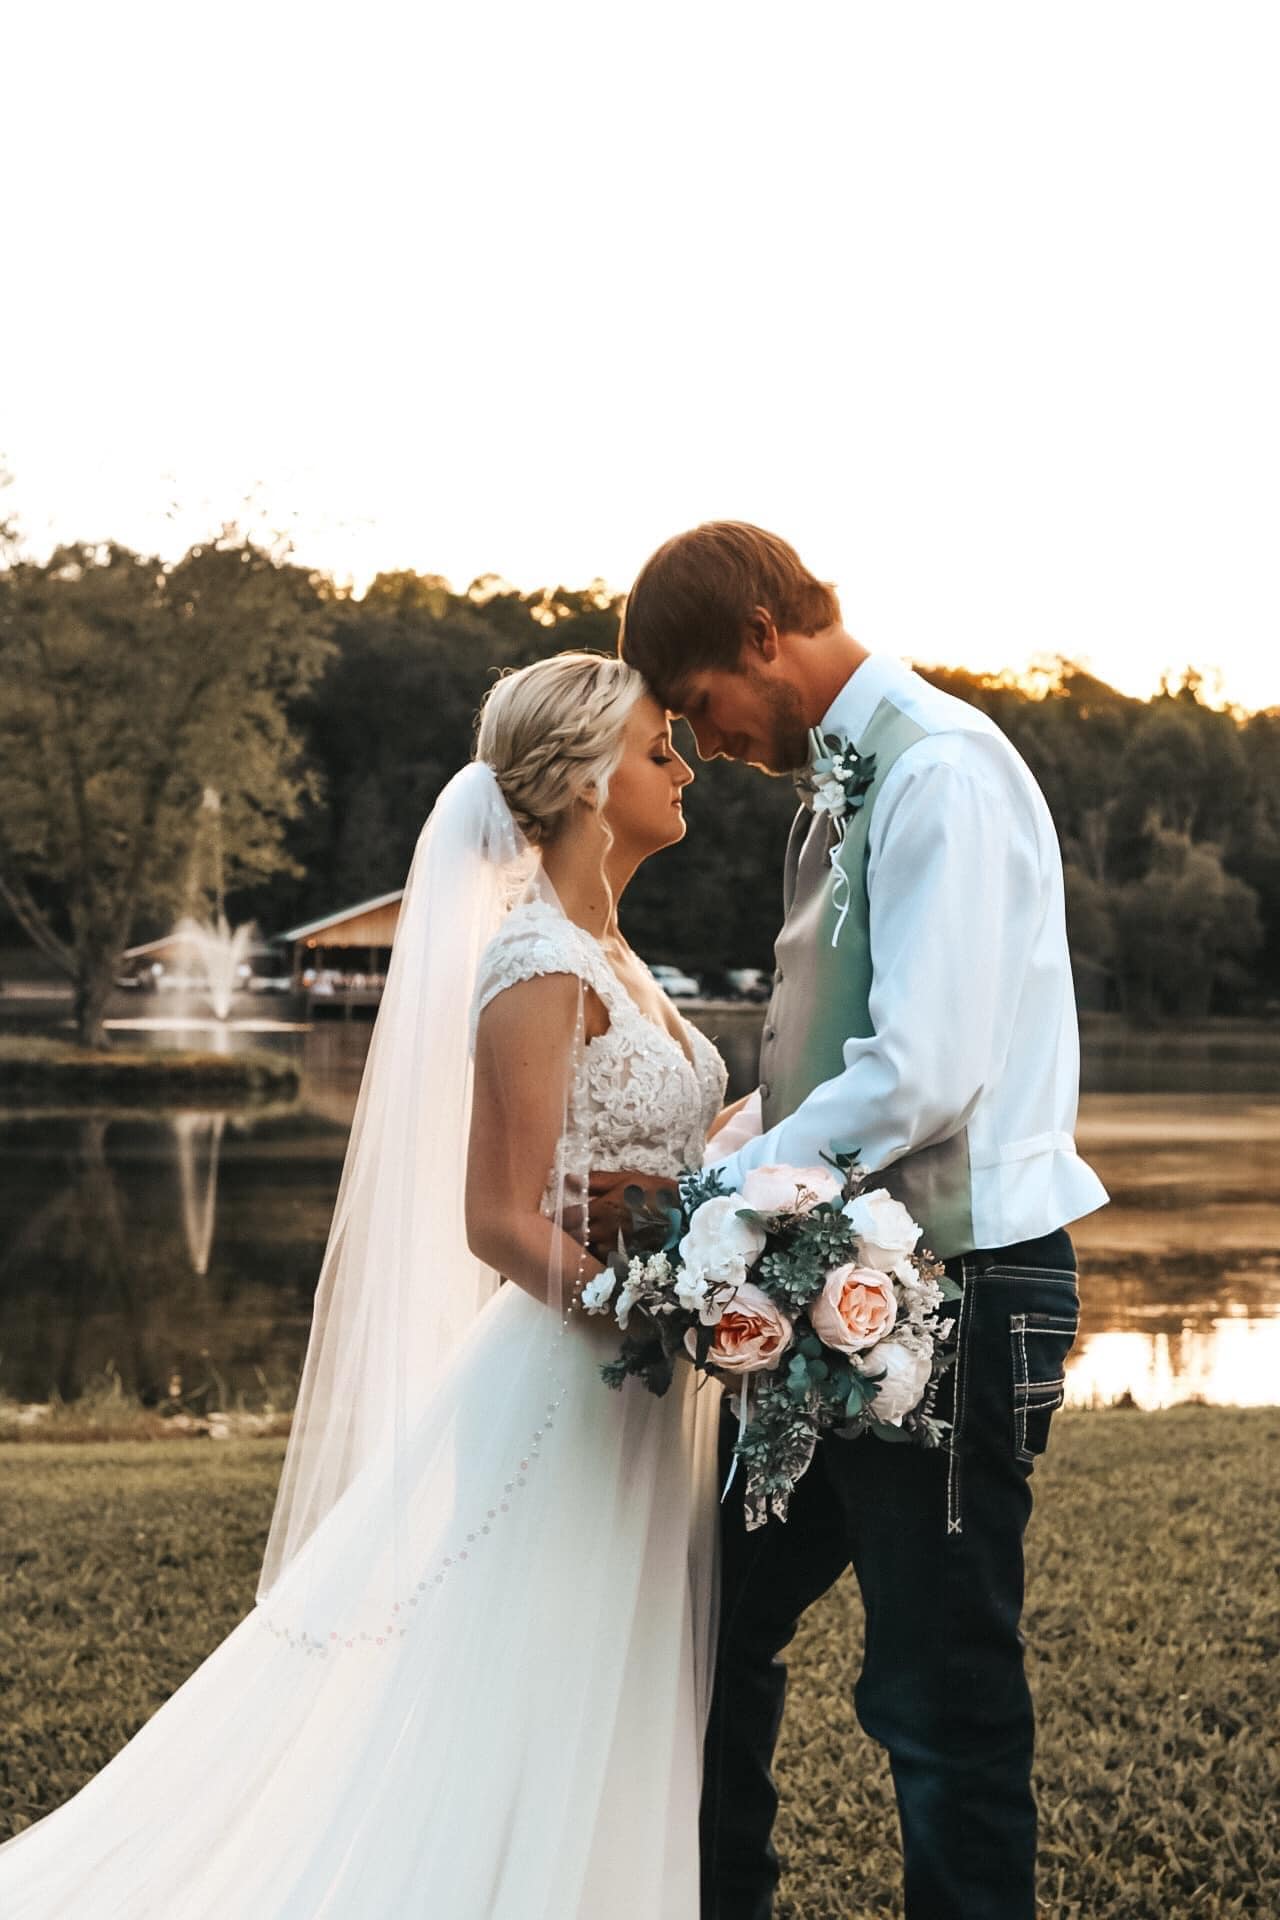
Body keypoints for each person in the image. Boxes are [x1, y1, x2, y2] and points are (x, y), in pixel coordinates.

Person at [0, 652, 734, 1919]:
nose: (683, 767)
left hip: (636, 1377)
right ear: (582, 780)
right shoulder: (536, 963)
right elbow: (496, 1219)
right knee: (533, 1684)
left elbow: (651, 1158)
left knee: (608, 1680)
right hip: (573, 1379)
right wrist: (650, 1315)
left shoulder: (614, 952)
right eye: (656, 745)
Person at [609, 522, 1110, 1920]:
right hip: (840, 1284)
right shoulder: (842, 786)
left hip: (959, 1294)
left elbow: (923, 1068)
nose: (708, 743)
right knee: (709, 1626)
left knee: (938, 1700)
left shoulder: (938, 771)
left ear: (762, 634)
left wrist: (711, 1202)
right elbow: (827, 1070)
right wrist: (715, 1152)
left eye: (704, 703)